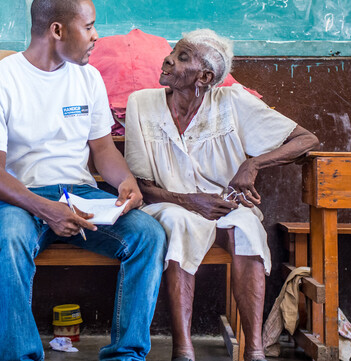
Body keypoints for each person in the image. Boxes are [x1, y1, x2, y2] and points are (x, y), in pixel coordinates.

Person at [0, 0, 167, 360]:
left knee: (148, 235)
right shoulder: (0, 82)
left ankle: (126, 355)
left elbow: (103, 150)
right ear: (57, 30)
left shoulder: (87, 77)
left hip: (79, 195)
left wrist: (125, 183)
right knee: (8, 240)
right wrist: (48, 211)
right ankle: (20, 356)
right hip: (20, 198)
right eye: (88, 27)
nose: (96, 36)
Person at [123, 29, 320, 361]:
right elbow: (141, 185)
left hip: (223, 204)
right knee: (178, 221)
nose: (169, 59)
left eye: (182, 56)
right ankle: (183, 350)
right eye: (173, 51)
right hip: (166, 203)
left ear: (205, 76)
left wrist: (253, 164)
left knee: (246, 227)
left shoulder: (233, 102)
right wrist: (188, 200)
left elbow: (306, 140)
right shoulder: (141, 103)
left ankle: (254, 350)